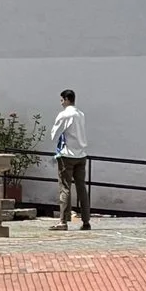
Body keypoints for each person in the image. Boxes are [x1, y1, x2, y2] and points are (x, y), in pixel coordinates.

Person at [51, 89, 90, 230]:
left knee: (65, 187)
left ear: (67, 99)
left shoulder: (64, 115)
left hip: (67, 154)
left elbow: (55, 134)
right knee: (81, 188)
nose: (61, 103)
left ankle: (63, 221)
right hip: (81, 154)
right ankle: (86, 221)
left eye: (62, 100)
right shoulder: (81, 114)